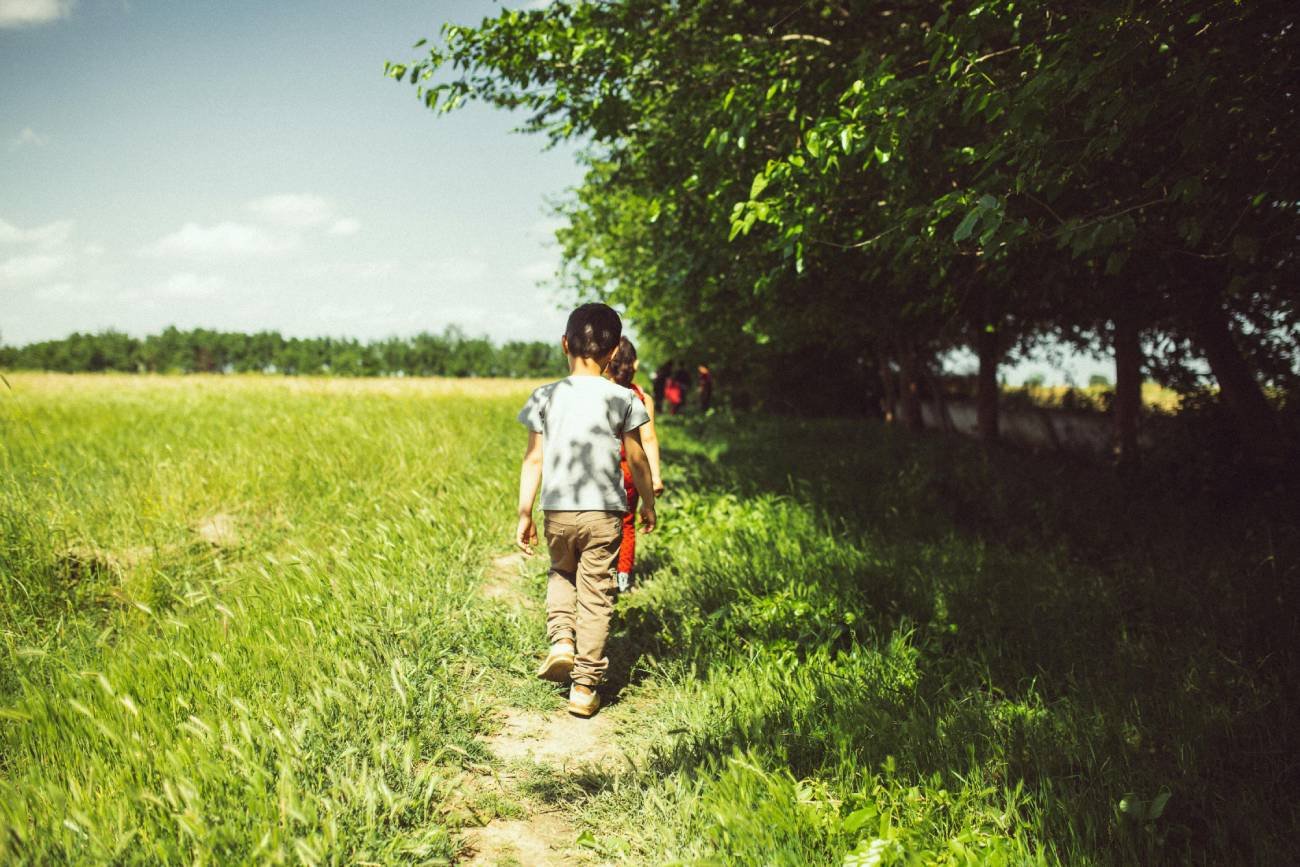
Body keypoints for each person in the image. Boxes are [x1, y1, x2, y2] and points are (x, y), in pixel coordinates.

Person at [515, 303, 657, 718]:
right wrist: (647, 501)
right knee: (597, 594)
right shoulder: (621, 397)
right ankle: (584, 686)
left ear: (564, 344)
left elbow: (533, 460)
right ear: (614, 354)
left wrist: (525, 513)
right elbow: (636, 457)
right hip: (605, 514)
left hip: (558, 509)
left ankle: (562, 641)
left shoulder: (545, 396)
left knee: (562, 571)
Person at [606, 337, 664, 592]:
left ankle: (597, 574)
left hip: (601, 470)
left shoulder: (600, 392)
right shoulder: (641, 396)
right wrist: (655, 477)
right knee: (627, 524)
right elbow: (648, 438)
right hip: (630, 473)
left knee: (600, 521)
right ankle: (623, 579)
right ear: (636, 364)